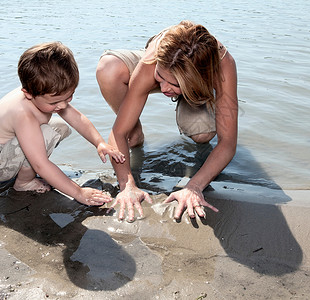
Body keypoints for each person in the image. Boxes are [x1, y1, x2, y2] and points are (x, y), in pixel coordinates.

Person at [96, 20, 238, 221]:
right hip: (159, 66)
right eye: (160, 79)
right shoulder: (153, 63)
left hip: (196, 81)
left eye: (171, 85)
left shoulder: (223, 65)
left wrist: (194, 187)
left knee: (202, 134)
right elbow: (117, 132)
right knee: (109, 68)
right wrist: (127, 185)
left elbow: (228, 143)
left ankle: (190, 96)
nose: (162, 89)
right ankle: (135, 132)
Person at [0, 42, 125, 206]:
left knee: (60, 126)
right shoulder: (23, 114)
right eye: (56, 102)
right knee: (46, 134)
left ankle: (23, 174)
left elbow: (76, 118)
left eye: (69, 97)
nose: (63, 105)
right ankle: (24, 183)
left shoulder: (41, 90)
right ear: (28, 93)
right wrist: (78, 192)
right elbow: (41, 165)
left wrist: (99, 142)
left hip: (8, 151)